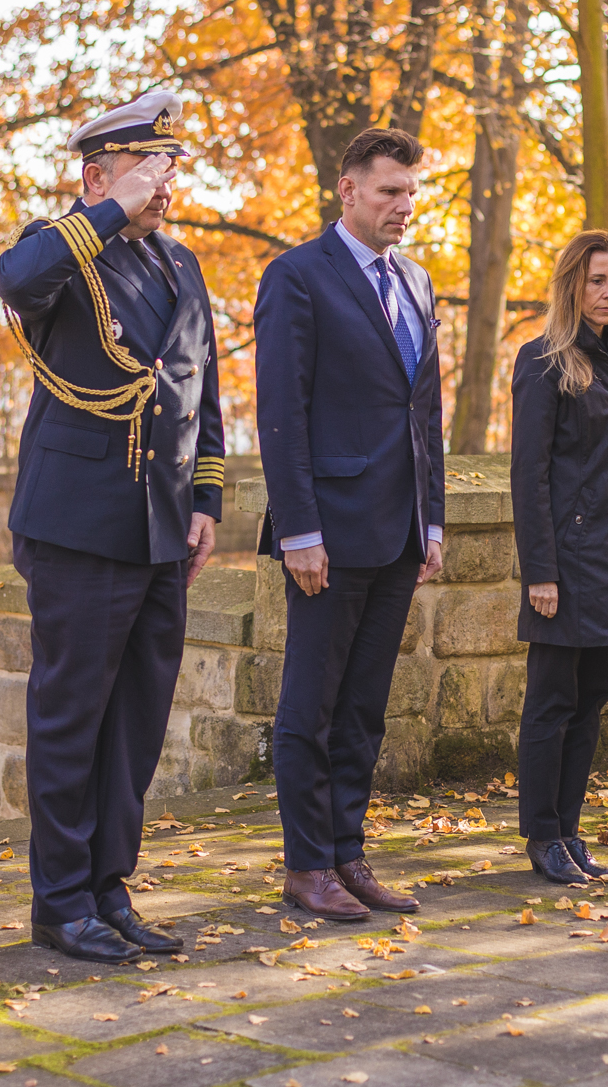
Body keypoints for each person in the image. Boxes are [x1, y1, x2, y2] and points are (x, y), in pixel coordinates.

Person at [0, 89, 226, 965]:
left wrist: (205, 501)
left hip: (162, 527)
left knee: (134, 721)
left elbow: (206, 393)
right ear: (97, 175)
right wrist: (109, 210)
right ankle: (59, 902)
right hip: (82, 526)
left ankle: (107, 887)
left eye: (171, 167)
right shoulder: (60, 251)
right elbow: (13, 284)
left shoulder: (182, 266)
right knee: (70, 718)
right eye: (146, 167)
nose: (165, 182)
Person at [255, 127, 445, 922]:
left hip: (399, 532)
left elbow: (423, 412)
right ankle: (306, 866)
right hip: (327, 534)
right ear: (348, 191)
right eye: (389, 191)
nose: (403, 205)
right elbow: (281, 413)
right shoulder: (298, 276)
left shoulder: (419, 282)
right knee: (313, 703)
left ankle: (347, 853)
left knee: (365, 706)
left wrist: (431, 521)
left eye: (410, 192)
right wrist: (299, 529)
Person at [508, 230, 608, 886]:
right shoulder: (543, 361)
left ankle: (570, 830)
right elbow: (528, 473)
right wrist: (540, 569)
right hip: (566, 566)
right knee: (551, 702)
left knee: (592, 702)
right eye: (597, 280)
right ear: (573, 283)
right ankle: (541, 833)